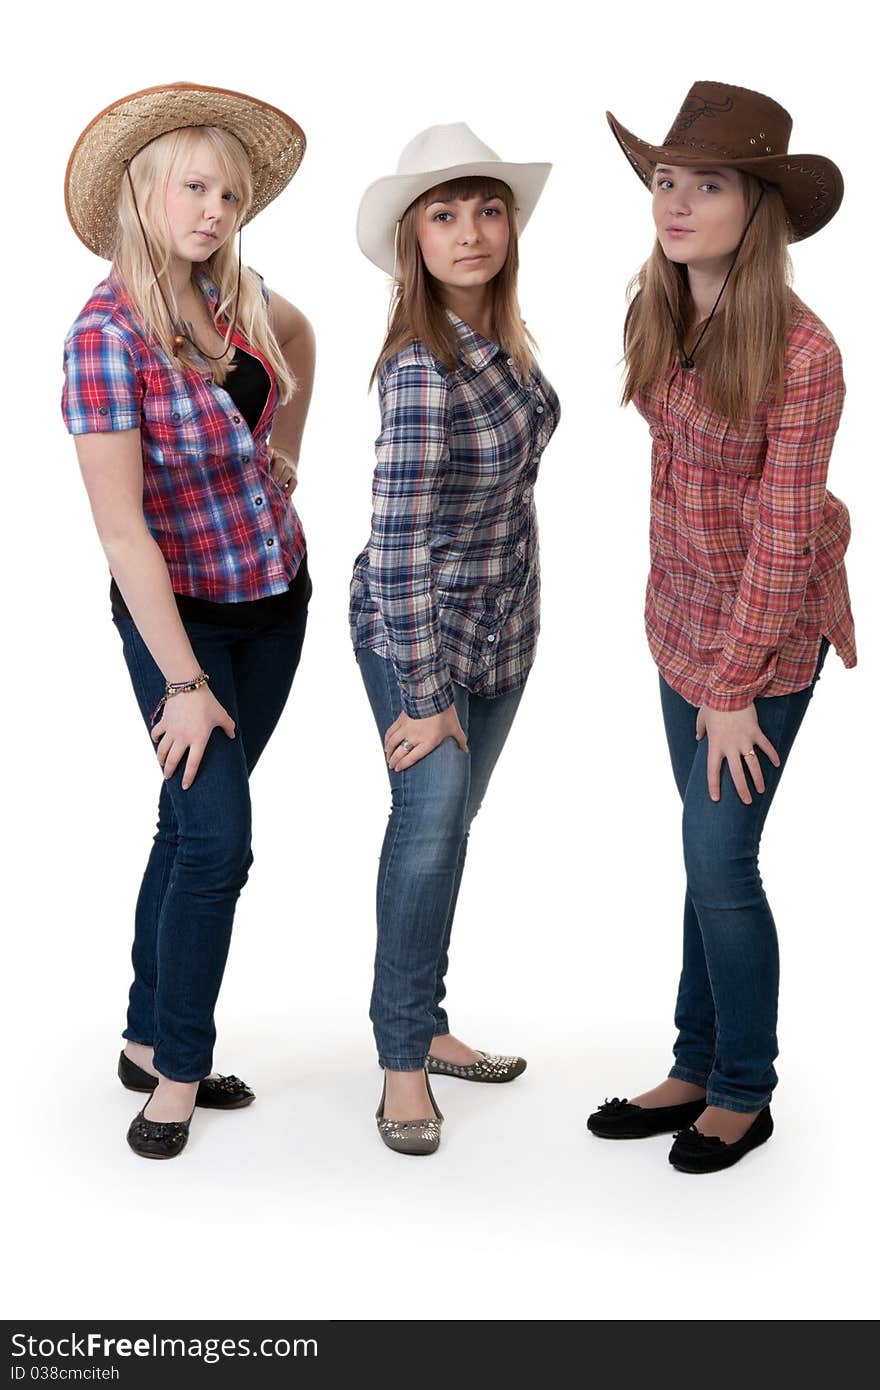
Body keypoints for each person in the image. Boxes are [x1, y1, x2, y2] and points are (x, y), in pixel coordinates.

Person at [588, 82, 856, 1172]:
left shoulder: (801, 353)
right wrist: (690, 657)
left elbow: (784, 537)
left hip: (765, 642)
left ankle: (745, 1087)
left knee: (721, 859)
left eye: (707, 185)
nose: (676, 201)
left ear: (759, 209)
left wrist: (735, 685)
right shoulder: (655, 307)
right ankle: (695, 1060)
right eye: (665, 179)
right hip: (681, 623)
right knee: (704, 859)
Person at [61, 83, 315, 1159]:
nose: (214, 209)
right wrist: (181, 682)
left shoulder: (236, 297)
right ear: (146, 194)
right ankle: (177, 1069)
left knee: (185, 822)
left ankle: (142, 1028)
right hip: (183, 628)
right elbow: (123, 536)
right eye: (194, 187)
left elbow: (291, 346)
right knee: (218, 842)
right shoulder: (103, 336)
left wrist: (285, 457)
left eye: (229, 192)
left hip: (274, 600)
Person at [350, 124, 559, 1155]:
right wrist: (423, 697)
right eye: (444, 214)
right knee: (427, 828)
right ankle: (400, 1060)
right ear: (412, 241)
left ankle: (428, 1023)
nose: (471, 232)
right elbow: (395, 553)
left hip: (499, 628)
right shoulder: (423, 371)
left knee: (450, 832)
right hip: (415, 636)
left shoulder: (506, 345)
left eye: (486, 209)